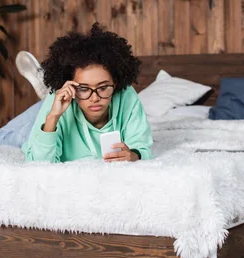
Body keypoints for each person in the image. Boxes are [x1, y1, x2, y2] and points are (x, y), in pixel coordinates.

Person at [19, 23, 153, 163]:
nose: (94, 98)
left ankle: (45, 93)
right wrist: (53, 116)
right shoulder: (57, 99)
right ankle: (45, 96)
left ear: (116, 83)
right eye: (83, 89)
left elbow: (142, 147)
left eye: (103, 87)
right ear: (70, 86)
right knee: (7, 137)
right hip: (58, 108)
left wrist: (134, 155)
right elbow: (39, 163)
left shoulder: (126, 95)